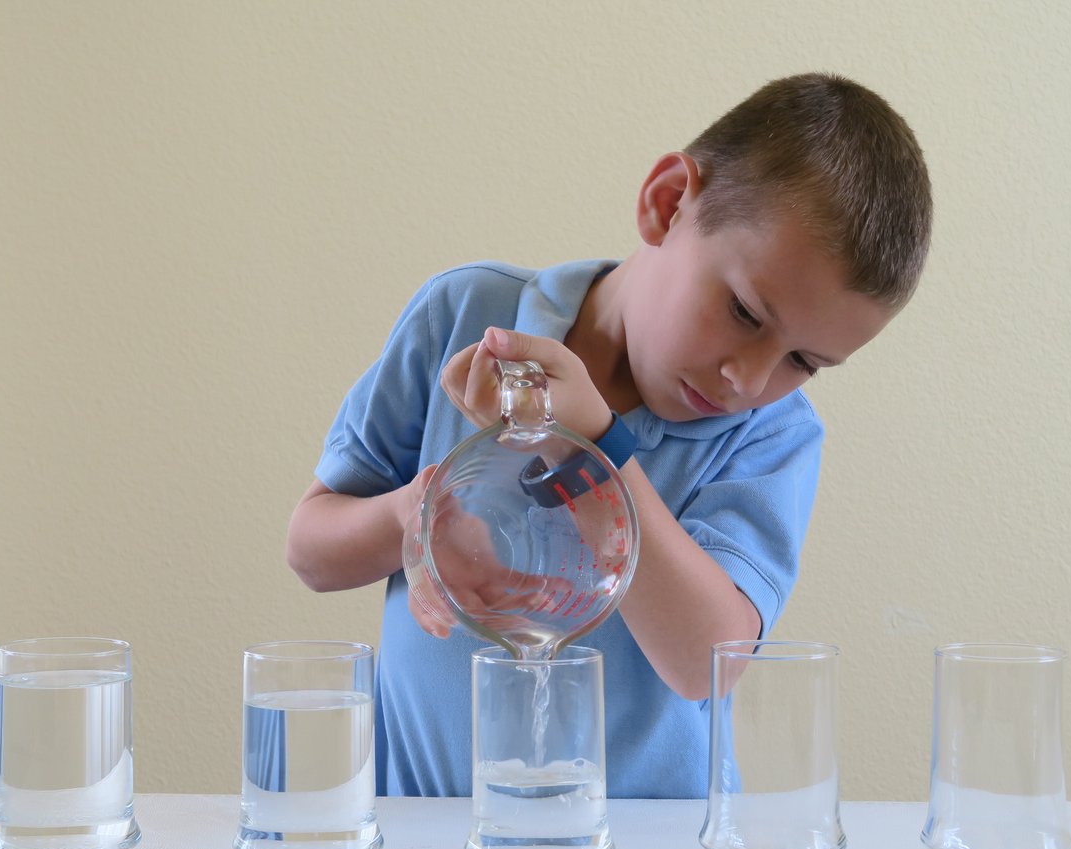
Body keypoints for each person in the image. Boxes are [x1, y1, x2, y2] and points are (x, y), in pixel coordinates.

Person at [286, 72, 932, 799]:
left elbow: (704, 661)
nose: (746, 378)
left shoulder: (770, 436)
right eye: (746, 313)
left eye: (804, 362)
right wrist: (410, 518)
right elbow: (310, 550)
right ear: (668, 204)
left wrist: (592, 445)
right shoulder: (464, 314)